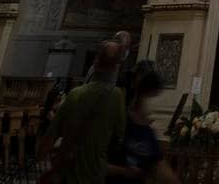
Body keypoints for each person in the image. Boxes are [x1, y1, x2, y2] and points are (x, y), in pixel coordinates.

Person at [39, 39, 127, 184]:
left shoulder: (75, 94)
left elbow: (50, 136)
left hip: (67, 173)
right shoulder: (117, 96)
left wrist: (48, 168)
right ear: (116, 67)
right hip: (93, 174)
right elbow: (120, 133)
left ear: (95, 63)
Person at [108, 61, 178, 184]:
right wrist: (123, 171)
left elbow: (159, 166)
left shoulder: (146, 131)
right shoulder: (117, 123)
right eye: (151, 97)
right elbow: (94, 163)